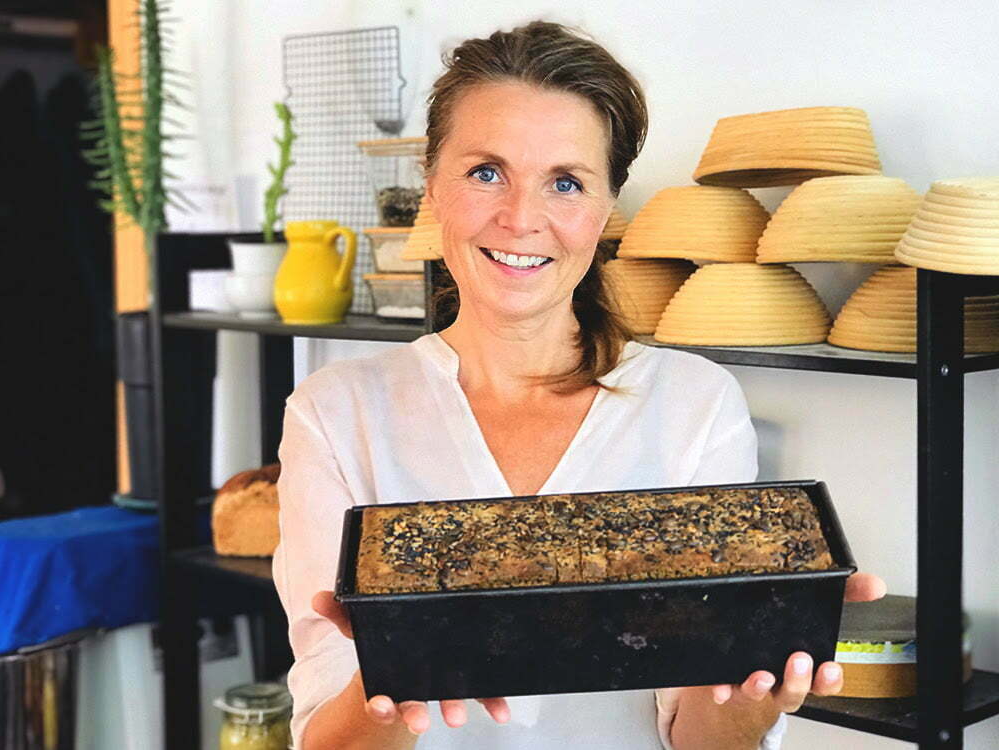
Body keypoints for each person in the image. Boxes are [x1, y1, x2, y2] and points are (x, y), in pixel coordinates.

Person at [273, 20, 885, 750]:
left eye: (565, 183)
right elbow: (324, 733)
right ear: (432, 185)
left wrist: (753, 699)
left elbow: (701, 735)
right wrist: (391, 684)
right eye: (486, 172)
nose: (521, 219)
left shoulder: (693, 404)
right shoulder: (336, 413)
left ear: (603, 210)